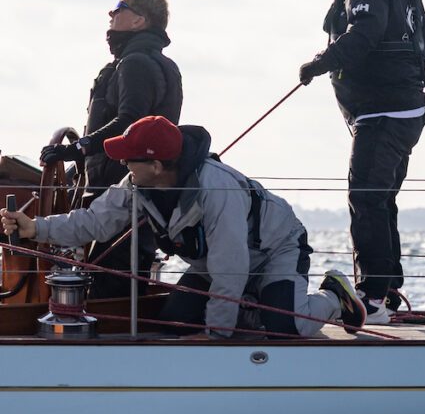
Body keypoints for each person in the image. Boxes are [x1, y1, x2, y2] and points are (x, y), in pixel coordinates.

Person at [3, 116, 363, 338]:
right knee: (175, 322)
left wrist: (215, 336)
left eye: (129, 158)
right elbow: (95, 221)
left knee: (286, 328)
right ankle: (255, 306)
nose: (124, 164)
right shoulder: (138, 183)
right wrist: (35, 228)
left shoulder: (216, 190)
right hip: (218, 264)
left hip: (275, 250)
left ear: (157, 166)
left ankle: (333, 296)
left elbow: (230, 268)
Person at [298, 0, 425, 324]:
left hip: (383, 110)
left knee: (365, 199)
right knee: (380, 199)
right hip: (407, 108)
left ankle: (373, 296)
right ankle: (387, 290)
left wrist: (318, 64)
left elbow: (365, 32)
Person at [38, 0, 183, 299]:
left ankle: (110, 321)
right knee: (123, 269)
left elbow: (129, 122)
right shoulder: (161, 64)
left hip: (117, 186)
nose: (111, 14)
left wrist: (76, 149)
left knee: (112, 276)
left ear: (139, 20)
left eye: (119, 7)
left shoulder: (135, 63)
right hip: (138, 185)